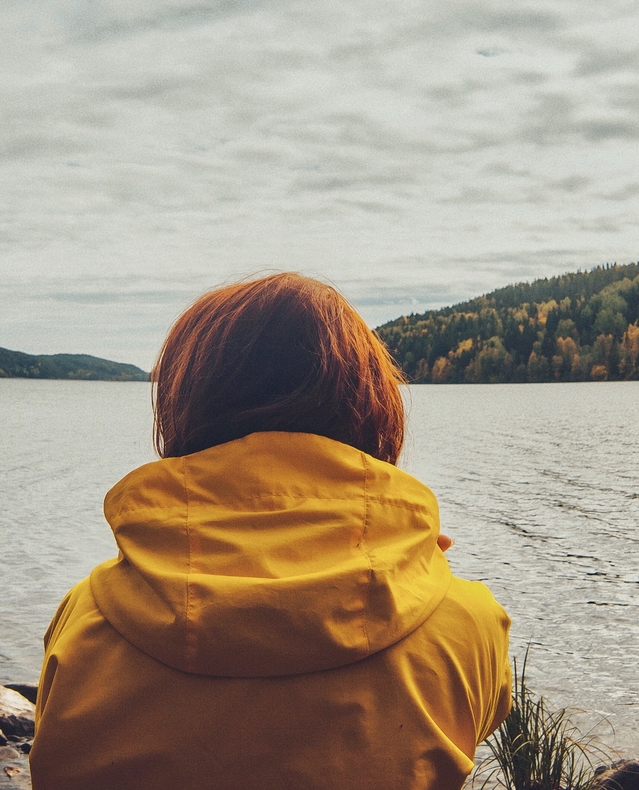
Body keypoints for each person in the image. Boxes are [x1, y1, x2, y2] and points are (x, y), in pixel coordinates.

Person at [28, 272, 512, 789]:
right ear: (372, 410)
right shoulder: (470, 622)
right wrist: (418, 581)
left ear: (187, 407)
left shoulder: (87, 619)